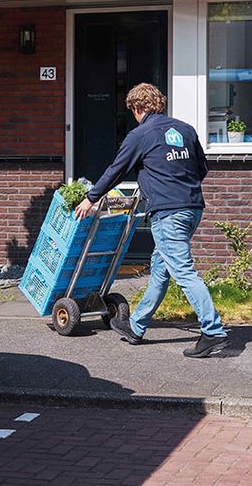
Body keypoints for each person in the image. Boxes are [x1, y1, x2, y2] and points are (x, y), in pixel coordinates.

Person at [73, 83, 229, 358]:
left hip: (168, 213)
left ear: (137, 108)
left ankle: (213, 331)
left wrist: (91, 197)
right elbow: (201, 168)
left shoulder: (140, 135)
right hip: (192, 208)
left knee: (182, 271)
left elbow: (116, 170)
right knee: (160, 269)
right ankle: (136, 326)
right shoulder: (185, 130)